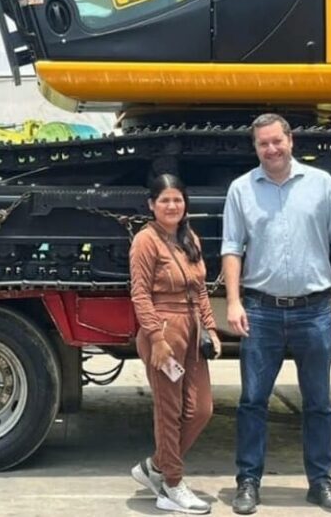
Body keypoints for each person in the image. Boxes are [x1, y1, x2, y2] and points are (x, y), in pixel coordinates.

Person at [221, 113, 331, 515]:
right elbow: (232, 247)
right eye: (263, 144)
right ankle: (248, 481)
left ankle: (320, 483)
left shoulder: (321, 183)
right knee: (252, 401)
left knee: (319, 402)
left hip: (313, 310)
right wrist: (232, 301)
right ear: (255, 148)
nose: (271, 149)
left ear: (290, 140)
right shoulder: (241, 189)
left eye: (276, 141)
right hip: (261, 310)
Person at [130, 173, 221, 514]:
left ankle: (156, 466)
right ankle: (171, 484)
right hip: (164, 330)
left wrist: (210, 328)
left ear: (185, 203)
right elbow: (140, 294)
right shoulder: (145, 240)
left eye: (177, 199)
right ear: (151, 205)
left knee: (201, 409)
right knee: (168, 411)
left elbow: (200, 289)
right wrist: (156, 338)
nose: (172, 206)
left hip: (192, 328)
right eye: (164, 200)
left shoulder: (189, 237)